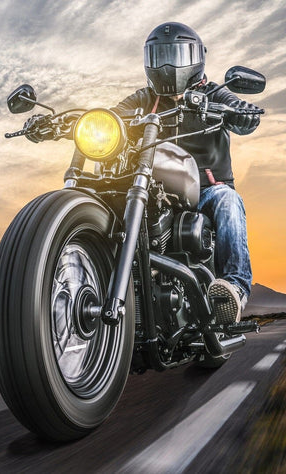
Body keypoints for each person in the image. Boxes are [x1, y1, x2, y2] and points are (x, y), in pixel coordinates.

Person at [110, 22, 262, 324]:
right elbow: (112, 115)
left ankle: (233, 288)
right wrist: (82, 122)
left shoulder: (214, 93)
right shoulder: (144, 99)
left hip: (205, 190)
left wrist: (240, 112)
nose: (168, 65)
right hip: (155, 189)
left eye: (176, 55)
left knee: (228, 201)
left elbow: (240, 111)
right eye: (160, 56)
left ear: (195, 58)